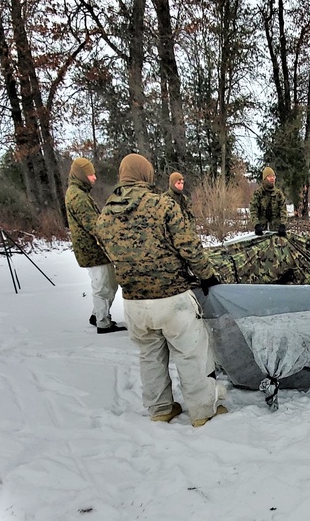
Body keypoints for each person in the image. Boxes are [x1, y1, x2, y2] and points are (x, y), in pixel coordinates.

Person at [96, 153, 227, 427]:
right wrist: (207, 276)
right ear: (146, 174)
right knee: (192, 355)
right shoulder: (162, 205)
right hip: (172, 298)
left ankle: (160, 409)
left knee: (150, 357)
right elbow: (189, 247)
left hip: (133, 302)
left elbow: (108, 251)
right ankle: (203, 413)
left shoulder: (105, 215)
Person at [64, 157, 125, 334]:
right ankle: (103, 322)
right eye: (90, 174)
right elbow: (94, 226)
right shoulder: (78, 197)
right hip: (92, 251)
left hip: (93, 250)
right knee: (103, 285)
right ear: (81, 175)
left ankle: (97, 314)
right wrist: (111, 240)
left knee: (109, 284)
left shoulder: (79, 193)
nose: (94, 177)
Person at [250, 166, 287, 237]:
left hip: (277, 231)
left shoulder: (278, 194)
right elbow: (253, 210)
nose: (272, 178)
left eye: (273, 176)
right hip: (261, 231)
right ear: (265, 178)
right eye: (269, 176)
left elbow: (283, 210)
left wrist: (283, 225)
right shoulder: (258, 194)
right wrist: (256, 224)